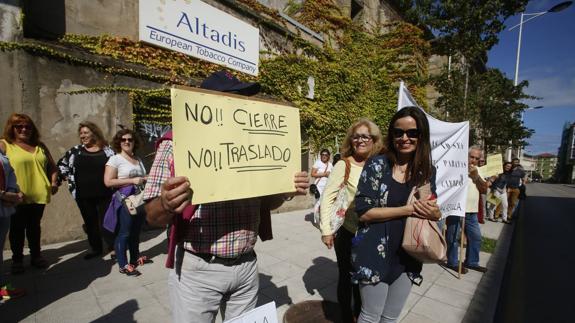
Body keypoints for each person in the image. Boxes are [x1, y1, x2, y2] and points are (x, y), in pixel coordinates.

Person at [142, 70, 309, 322]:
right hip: (199, 269)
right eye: (234, 97)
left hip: (247, 265)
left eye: (244, 98)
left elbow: (267, 203)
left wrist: (284, 190)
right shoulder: (175, 144)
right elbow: (151, 216)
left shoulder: (256, 148)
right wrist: (167, 203)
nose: (242, 104)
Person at [351, 107, 441, 323]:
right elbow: (364, 212)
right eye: (398, 132)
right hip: (374, 252)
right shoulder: (377, 165)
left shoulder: (426, 170)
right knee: (370, 316)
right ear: (391, 134)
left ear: (422, 136)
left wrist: (436, 213)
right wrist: (408, 210)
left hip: (409, 254)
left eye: (412, 133)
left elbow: (430, 205)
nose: (404, 138)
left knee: (390, 318)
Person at [319, 118, 383, 323]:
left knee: (365, 278)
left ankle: (363, 314)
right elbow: (327, 198)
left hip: (373, 233)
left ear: (374, 140)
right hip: (348, 232)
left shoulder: (381, 164)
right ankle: (348, 317)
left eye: (365, 136)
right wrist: (326, 230)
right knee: (347, 278)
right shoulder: (343, 164)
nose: (360, 140)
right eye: (356, 137)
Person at [0, 113, 58, 274]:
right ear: (12, 129)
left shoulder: (40, 146)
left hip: (39, 193)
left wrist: (53, 182)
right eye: (19, 126)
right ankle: (17, 260)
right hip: (16, 196)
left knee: (34, 227)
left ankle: (36, 256)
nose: (24, 129)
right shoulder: (4, 145)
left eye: (28, 126)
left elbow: (53, 167)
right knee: (17, 228)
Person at [57, 121, 115, 259]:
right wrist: (65, 176)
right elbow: (61, 165)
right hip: (83, 195)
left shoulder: (107, 150)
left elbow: (117, 165)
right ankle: (96, 249)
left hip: (105, 193)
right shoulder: (75, 151)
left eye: (86, 133)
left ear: (94, 133)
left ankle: (113, 247)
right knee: (90, 223)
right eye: (81, 133)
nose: (82, 136)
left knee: (107, 221)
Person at [104, 129, 147, 276]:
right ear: (119, 142)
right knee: (124, 233)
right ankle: (123, 264)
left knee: (135, 233)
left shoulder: (138, 159)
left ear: (134, 142)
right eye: (123, 140)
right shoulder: (115, 159)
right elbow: (108, 182)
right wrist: (132, 180)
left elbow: (141, 178)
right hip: (125, 200)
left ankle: (134, 259)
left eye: (130, 139)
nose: (127, 142)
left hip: (140, 200)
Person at [445, 145, 488, 274]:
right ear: (466, 156)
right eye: (471, 156)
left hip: (471, 211)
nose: (473, 160)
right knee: (453, 237)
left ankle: (472, 262)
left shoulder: (479, 170)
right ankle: (452, 262)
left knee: (475, 237)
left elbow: (484, 189)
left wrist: (476, 177)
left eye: (476, 158)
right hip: (456, 208)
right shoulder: (456, 167)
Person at [0, 152, 25, 301]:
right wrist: (3, 195)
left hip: (4, 208)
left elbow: (9, 173)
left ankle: (2, 288)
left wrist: (14, 192)